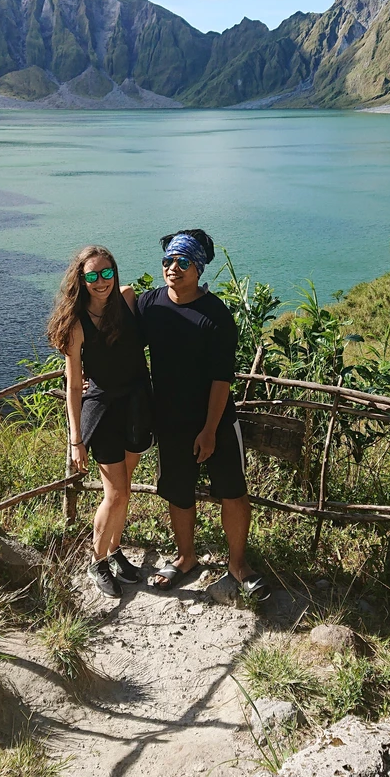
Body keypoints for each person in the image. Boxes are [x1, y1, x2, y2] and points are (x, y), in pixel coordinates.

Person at [137, 228, 270, 600]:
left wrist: (210, 429)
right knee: (178, 492)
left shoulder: (216, 315)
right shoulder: (150, 305)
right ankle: (186, 558)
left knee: (233, 491)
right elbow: (119, 339)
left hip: (217, 420)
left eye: (183, 262)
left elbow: (221, 379)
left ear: (198, 268)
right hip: (170, 421)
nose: (173, 268)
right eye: (168, 260)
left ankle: (238, 565)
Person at [47, 245, 153, 599]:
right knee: (116, 493)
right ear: (81, 279)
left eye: (107, 272)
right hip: (104, 411)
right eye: (92, 275)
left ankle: (114, 549)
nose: (101, 281)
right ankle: (97, 561)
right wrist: (76, 440)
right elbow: (74, 384)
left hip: (136, 404)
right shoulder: (76, 324)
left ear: (115, 272)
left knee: (125, 490)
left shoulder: (127, 298)